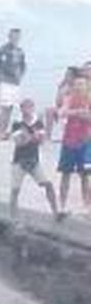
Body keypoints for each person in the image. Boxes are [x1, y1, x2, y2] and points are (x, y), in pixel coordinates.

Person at [8, 100, 63, 224]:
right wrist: (33, 137)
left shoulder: (38, 123)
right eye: (25, 108)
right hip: (19, 161)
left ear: (32, 108)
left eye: (30, 107)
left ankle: (55, 213)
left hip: (33, 160)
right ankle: (13, 217)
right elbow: (19, 142)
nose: (27, 110)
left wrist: (28, 136)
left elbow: (41, 140)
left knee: (48, 185)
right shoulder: (17, 123)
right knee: (15, 189)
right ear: (21, 109)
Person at [57, 74, 91, 214]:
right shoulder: (69, 98)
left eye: (82, 84)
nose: (79, 87)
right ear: (73, 86)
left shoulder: (89, 99)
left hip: (86, 143)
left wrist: (81, 114)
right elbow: (61, 113)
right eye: (76, 84)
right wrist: (78, 112)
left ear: (87, 86)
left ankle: (87, 208)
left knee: (85, 177)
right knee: (65, 175)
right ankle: (62, 206)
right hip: (68, 143)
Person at [0, 27, 26, 140]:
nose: (15, 38)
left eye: (17, 36)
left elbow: (23, 64)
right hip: (5, 82)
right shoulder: (3, 50)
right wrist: (13, 74)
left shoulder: (20, 51)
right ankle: (0, 132)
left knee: (13, 107)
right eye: (13, 36)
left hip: (16, 83)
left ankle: (6, 131)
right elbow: (2, 65)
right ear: (9, 36)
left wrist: (21, 75)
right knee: (5, 107)